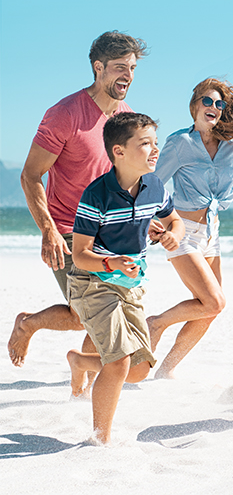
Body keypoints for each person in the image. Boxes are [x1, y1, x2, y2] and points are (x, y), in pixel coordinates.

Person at [8, 31, 148, 367]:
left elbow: (125, 176)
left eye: (131, 68)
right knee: (89, 313)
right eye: (118, 67)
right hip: (70, 231)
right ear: (98, 68)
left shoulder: (126, 116)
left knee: (96, 311)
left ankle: (81, 372)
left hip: (110, 231)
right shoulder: (65, 114)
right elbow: (30, 175)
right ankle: (29, 325)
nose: (127, 75)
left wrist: (144, 217)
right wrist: (48, 230)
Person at [147, 78, 233, 378]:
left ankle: (166, 369)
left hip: (212, 234)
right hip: (181, 230)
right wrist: (149, 218)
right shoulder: (180, 143)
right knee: (213, 300)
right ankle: (155, 323)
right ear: (195, 105)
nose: (213, 107)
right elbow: (153, 182)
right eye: (207, 101)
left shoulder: (232, 149)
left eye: (219, 104)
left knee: (211, 309)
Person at [66, 112, 184, 445]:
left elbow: (174, 221)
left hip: (130, 286)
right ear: (118, 152)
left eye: (155, 143)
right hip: (93, 282)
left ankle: (80, 361)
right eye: (145, 143)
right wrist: (111, 262)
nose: (155, 150)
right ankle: (99, 440)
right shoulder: (96, 196)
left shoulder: (155, 186)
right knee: (118, 363)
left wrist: (174, 234)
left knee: (139, 369)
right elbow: (80, 254)